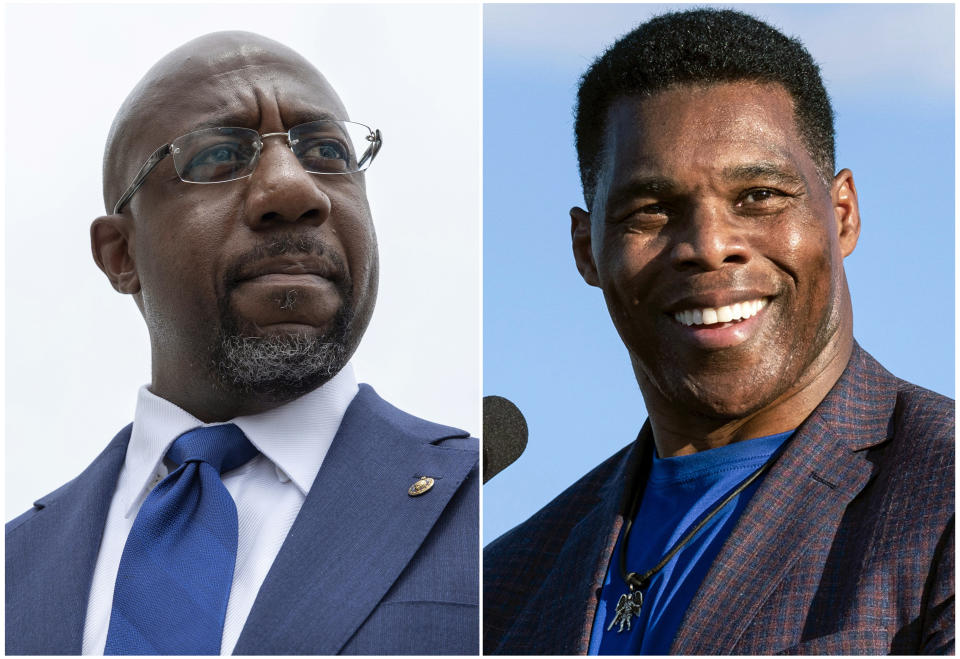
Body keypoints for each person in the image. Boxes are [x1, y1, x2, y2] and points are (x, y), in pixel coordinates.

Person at [484, 9, 953, 655]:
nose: (709, 246)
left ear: (842, 214)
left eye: (759, 195)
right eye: (651, 209)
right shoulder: (503, 581)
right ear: (586, 250)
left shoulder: (941, 499)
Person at [6, 31, 478, 656]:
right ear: (121, 255)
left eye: (327, 151)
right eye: (218, 157)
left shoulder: (478, 504)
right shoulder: (17, 568)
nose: (294, 191)